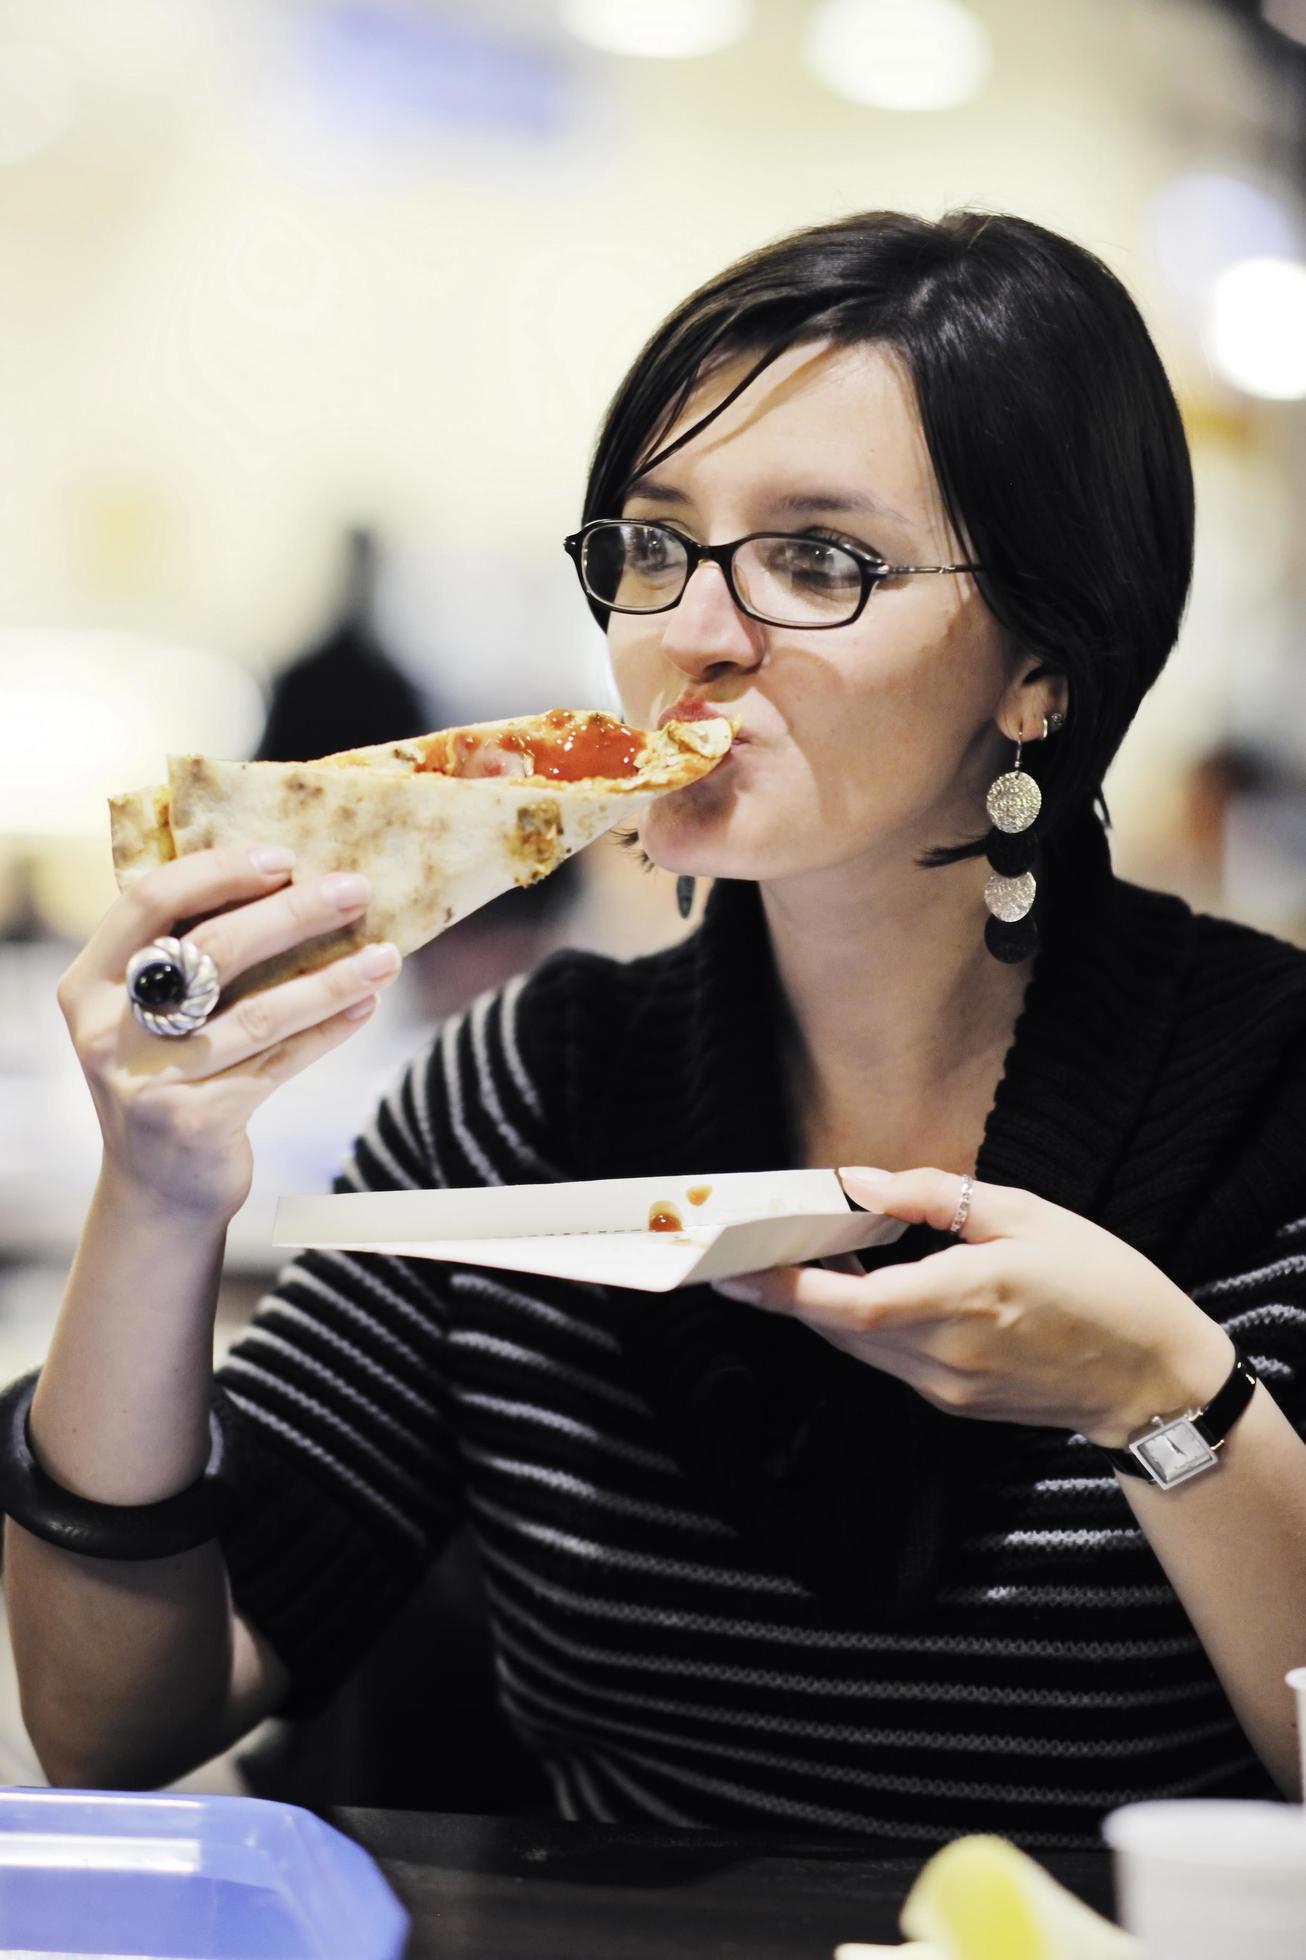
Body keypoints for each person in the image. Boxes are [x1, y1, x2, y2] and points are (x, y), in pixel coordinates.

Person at [7, 210, 1306, 1852]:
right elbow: (113, 1730)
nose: (687, 633)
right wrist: (159, 1185)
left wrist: (1162, 1396)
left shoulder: (1269, 1105)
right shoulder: (526, 1100)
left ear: (1041, 665)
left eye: (819, 560)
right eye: (652, 543)